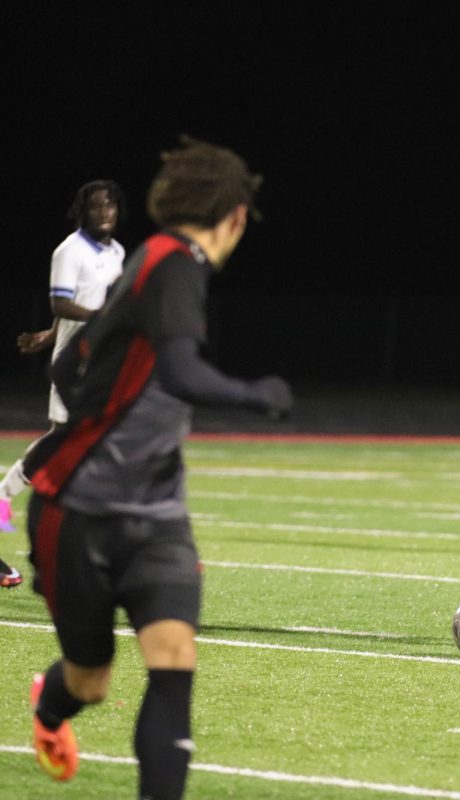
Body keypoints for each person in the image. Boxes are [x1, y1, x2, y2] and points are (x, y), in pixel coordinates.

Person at [22, 137, 292, 798]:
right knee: (91, 681)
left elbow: (65, 363)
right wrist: (259, 395)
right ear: (234, 216)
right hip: (80, 511)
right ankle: (50, 708)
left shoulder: (146, 260)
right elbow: (179, 371)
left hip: (157, 511)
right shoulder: (174, 263)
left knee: (174, 660)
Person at [0, 181, 127, 590]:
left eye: (110, 203)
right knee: (70, 442)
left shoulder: (117, 252)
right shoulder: (68, 251)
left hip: (103, 365)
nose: (105, 210)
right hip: (73, 369)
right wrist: (99, 319)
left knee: (81, 443)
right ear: (82, 211)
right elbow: (62, 303)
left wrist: (47, 335)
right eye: (96, 205)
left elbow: (81, 310)